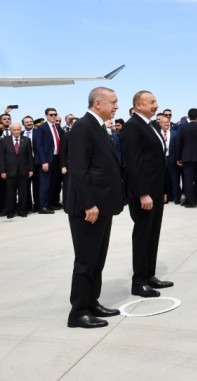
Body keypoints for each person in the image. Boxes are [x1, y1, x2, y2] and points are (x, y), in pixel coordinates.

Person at [63, 87, 123, 328]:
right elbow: (78, 169)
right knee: (86, 260)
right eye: (113, 102)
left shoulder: (98, 126)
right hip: (88, 208)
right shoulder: (83, 127)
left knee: (98, 259)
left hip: (102, 206)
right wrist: (89, 203)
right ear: (98, 103)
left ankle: (92, 302)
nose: (116, 106)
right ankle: (78, 312)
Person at [121, 90, 172, 298]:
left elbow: (158, 161)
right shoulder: (132, 126)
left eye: (156, 101)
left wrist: (163, 190)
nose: (156, 105)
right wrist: (143, 193)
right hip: (144, 194)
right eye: (151, 102)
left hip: (156, 191)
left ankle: (149, 275)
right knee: (143, 236)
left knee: (153, 235)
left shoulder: (150, 126)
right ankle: (138, 281)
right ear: (138, 105)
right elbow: (133, 163)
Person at [33, 107, 65, 214]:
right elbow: (39, 146)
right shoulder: (40, 128)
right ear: (46, 115)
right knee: (45, 184)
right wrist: (43, 161)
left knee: (54, 183)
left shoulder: (58, 128)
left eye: (55, 114)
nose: (53, 116)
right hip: (46, 160)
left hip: (56, 159)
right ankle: (42, 206)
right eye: (51, 115)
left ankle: (50, 203)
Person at [177, 108, 197, 207]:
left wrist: (178, 158)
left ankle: (191, 201)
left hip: (187, 157)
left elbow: (179, 144)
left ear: (189, 116)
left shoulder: (182, 128)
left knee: (187, 180)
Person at [0, 123, 34, 218]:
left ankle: (22, 210)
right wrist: (2, 171)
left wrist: (31, 169)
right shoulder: (4, 141)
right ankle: (10, 211)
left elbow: (29, 156)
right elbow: (1, 157)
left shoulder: (27, 140)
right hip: (9, 171)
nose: (16, 131)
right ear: (11, 130)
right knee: (10, 193)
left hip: (23, 170)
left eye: (18, 129)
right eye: (14, 130)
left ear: (20, 130)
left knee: (23, 192)